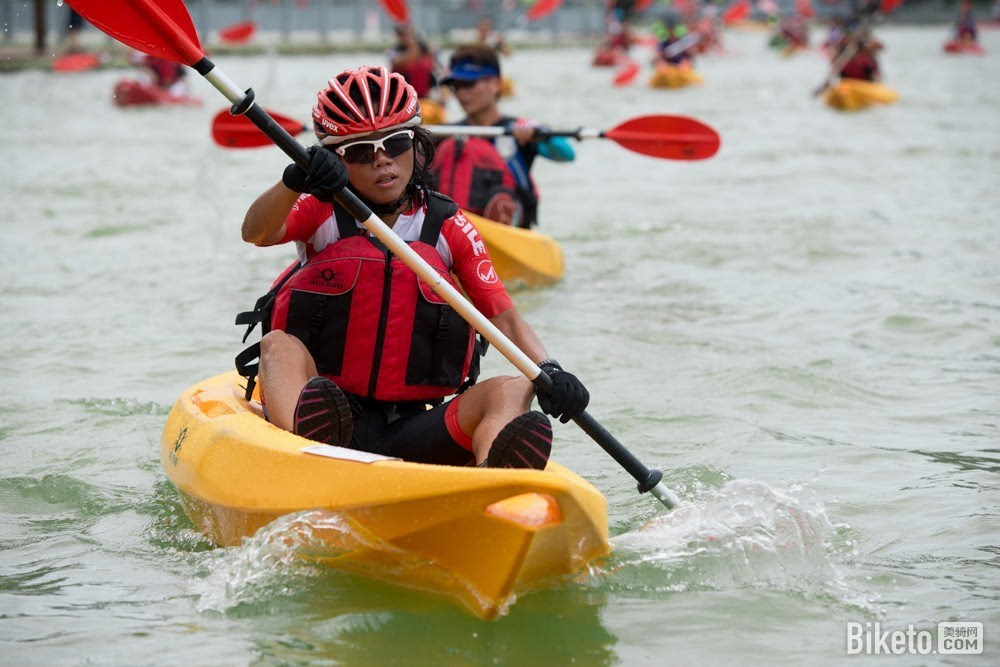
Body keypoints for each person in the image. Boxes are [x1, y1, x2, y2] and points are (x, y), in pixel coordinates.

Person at [237, 66, 589, 469]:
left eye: (396, 143)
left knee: (511, 388)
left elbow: (502, 315)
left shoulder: (448, 225)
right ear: (336, 157)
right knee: (277, 346)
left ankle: (494, 482)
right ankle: (312, 452)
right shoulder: (320, 211)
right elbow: (256, 233)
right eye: (360, 152)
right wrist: (294, 181)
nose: (382, 161)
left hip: (415, 426)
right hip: (327, 414)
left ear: (416, 143)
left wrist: (549, 370)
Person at [432, 45, 574, 228]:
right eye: (456, 86)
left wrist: (539, 133)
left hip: (509, 233)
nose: (461, 93)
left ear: (496, 84)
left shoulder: (520, 130)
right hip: (458, 235)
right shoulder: (446, 135)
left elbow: (567, 154)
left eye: (469, 84)